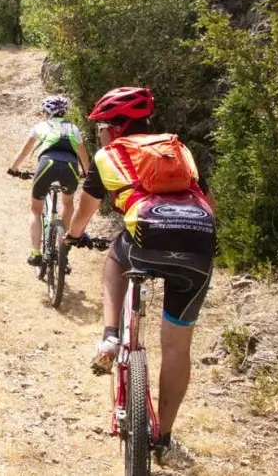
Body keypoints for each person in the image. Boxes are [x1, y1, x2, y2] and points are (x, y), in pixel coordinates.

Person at [64, 87, 217, 468]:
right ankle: (163, 436)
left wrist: (74, 234)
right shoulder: (180, 150)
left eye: (101, 126)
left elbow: (86, 208)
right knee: (177, 349)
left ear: (115, 128)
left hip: (145, 240)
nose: (98, 134)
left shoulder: (109, 155)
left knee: (117, 256)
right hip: (200, 240)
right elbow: (209, 205)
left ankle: (111, 336)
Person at [7, 95, 91, 267]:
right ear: (64, 112)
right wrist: (87, 173)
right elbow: (83, 157)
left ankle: (36, 253)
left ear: (46, 112)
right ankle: (63, 247)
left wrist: (13, 169)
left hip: (47, 165)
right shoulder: (73, 129)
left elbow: (24, 152)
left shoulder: (40, 126)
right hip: (70, 167)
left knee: (36, 210)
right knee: (68, 204)